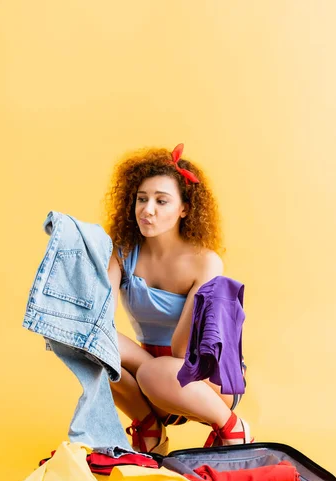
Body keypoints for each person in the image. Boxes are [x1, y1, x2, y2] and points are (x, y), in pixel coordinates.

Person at [105, 143, 252, 455]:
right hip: (154, 379)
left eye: (161, 201)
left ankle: (232, 426)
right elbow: (99, 315)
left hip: (204, 377)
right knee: (94, 349)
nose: (148, 209)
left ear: (184, 208)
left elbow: (183, 350)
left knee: (152, 370)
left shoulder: (206, 262)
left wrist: (135, 359)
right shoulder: (121, 253)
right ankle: (149, 428)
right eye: (142, 199)